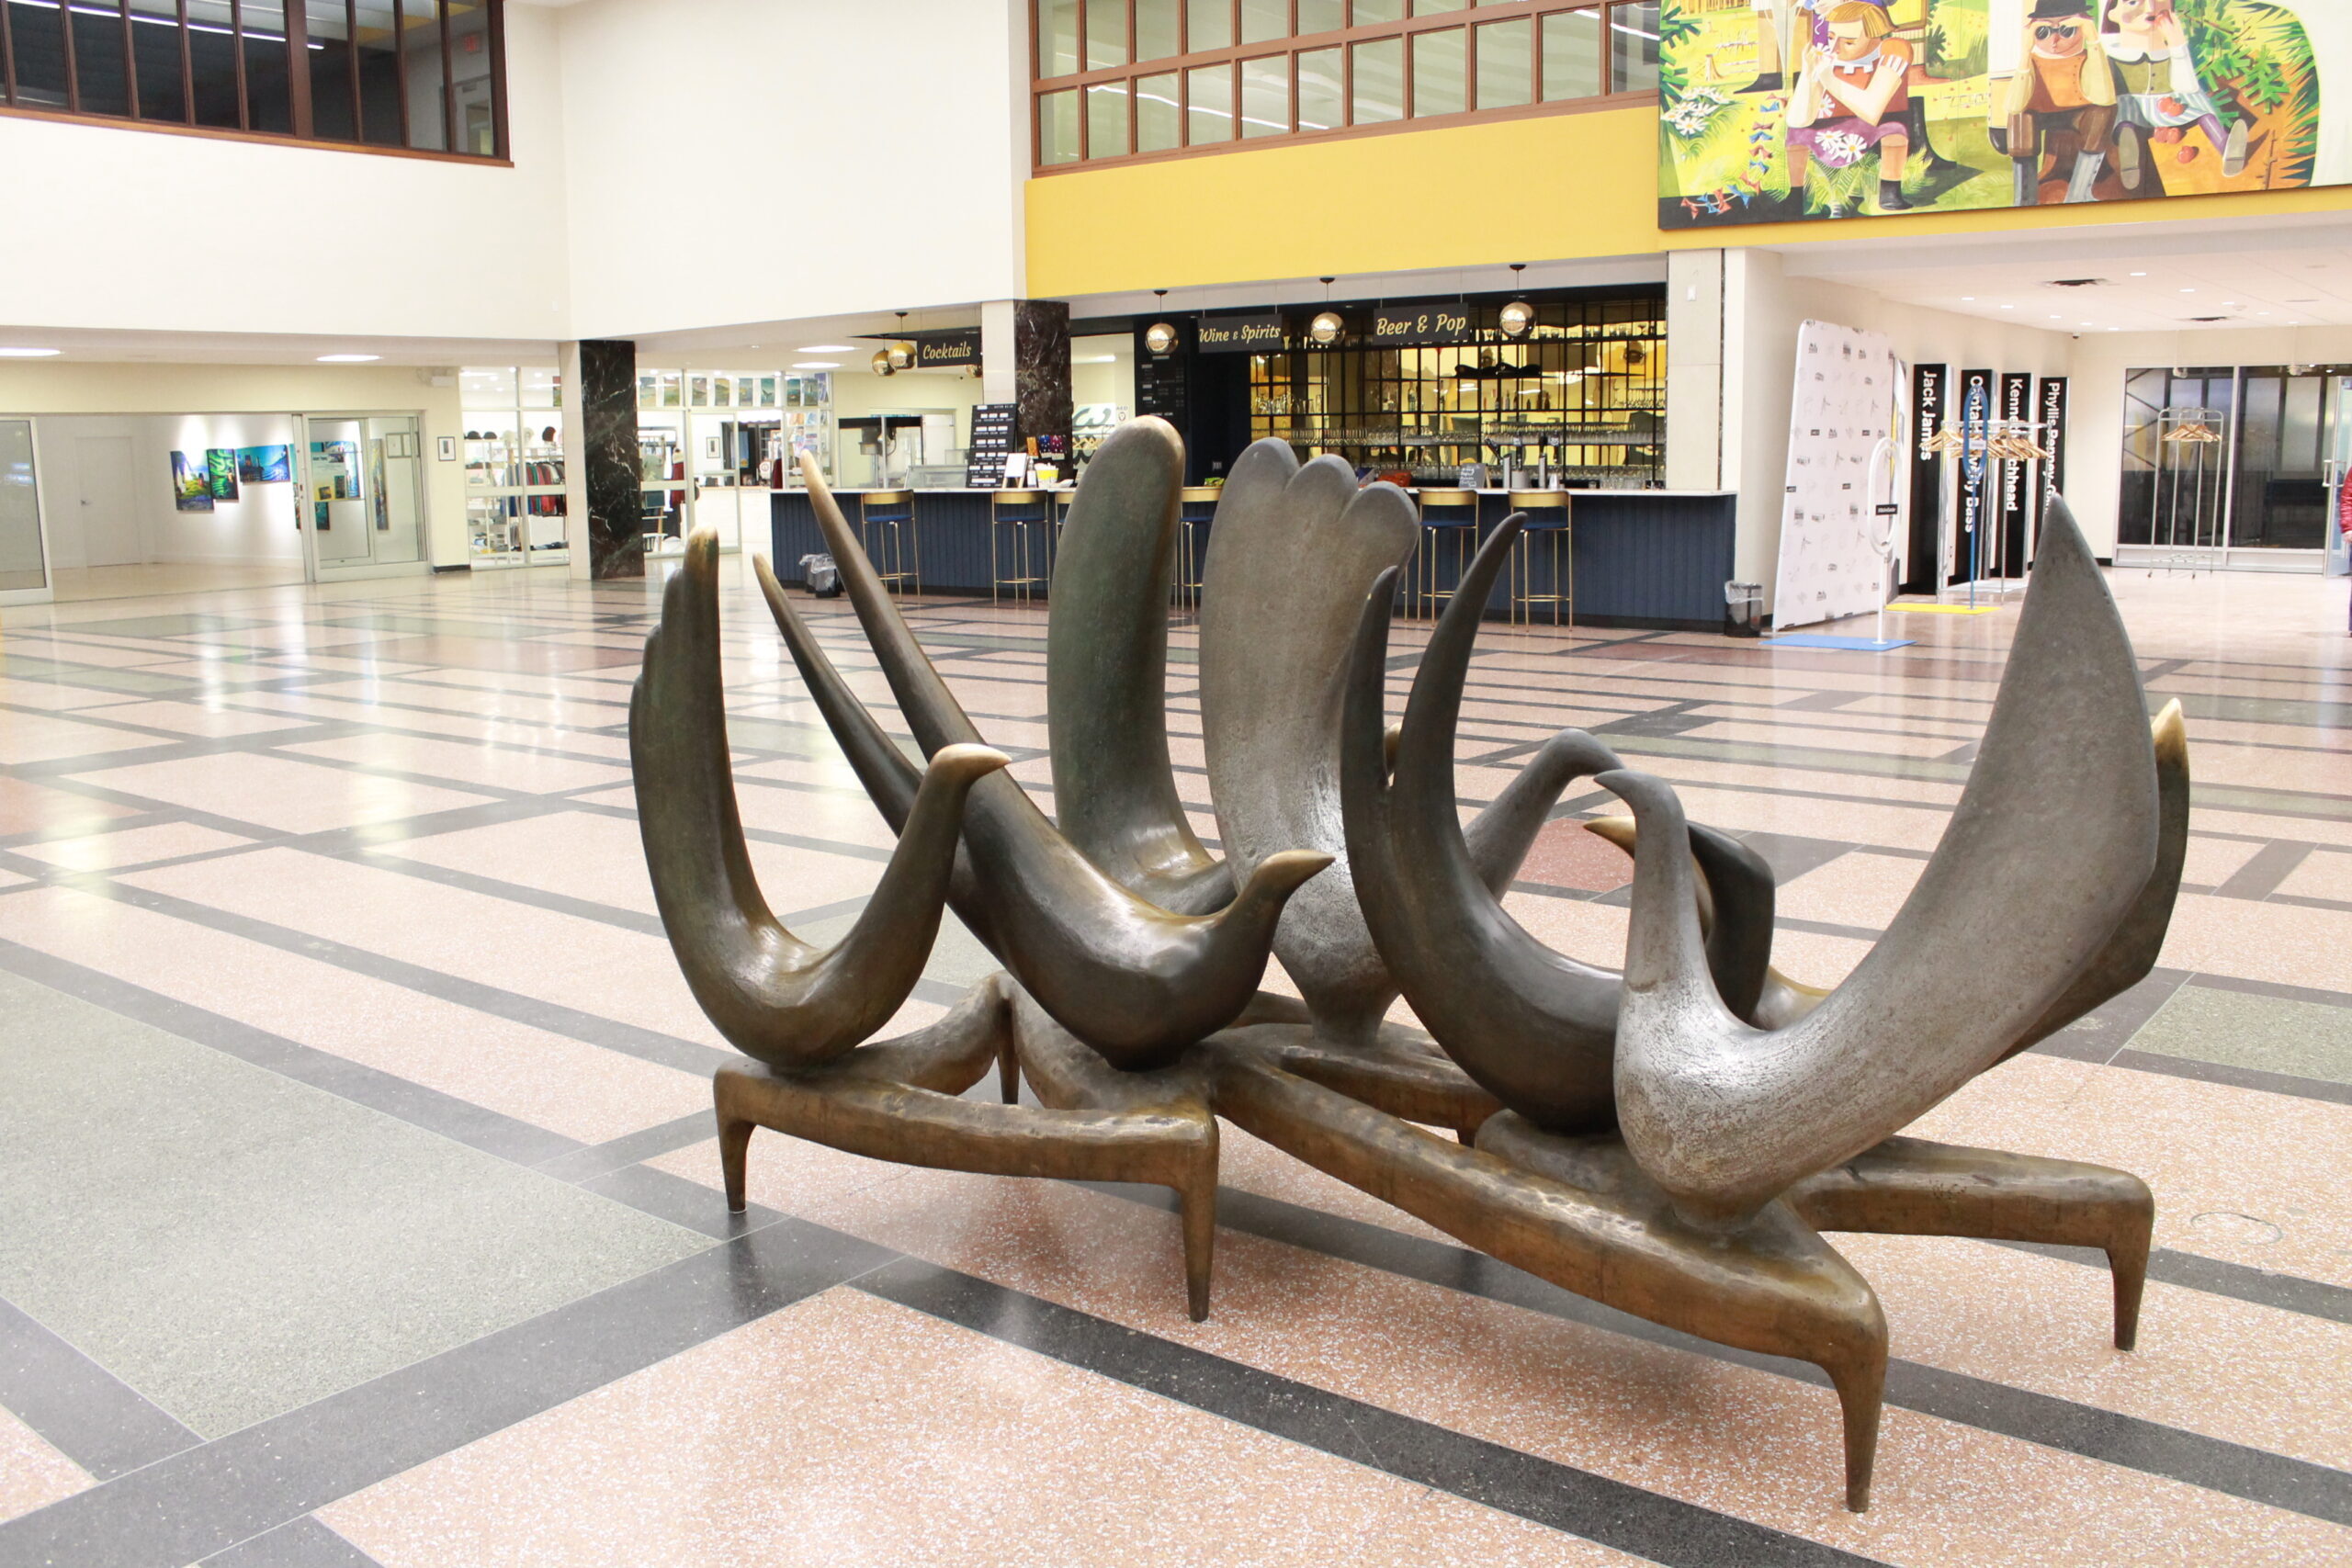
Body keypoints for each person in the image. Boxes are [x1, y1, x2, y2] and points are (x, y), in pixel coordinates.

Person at [2102, 0, 2249, 193]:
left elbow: (2187, 87)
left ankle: (2226, 148)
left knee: (2204, 113)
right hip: (2131, 104)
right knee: (2124, 123)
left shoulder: (2169, 48)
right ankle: (2129, 161)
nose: (2150, 8)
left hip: (2170, 103)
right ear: (2112, 13)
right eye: (2133, 1)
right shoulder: (2109, 51)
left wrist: (2177, 44)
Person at [1787, 3, 1917, 213]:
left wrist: (1827, 76)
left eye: (1849, 42)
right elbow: (1798, 120)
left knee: (1895, 132)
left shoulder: (1894, 49)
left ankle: (1890, 190)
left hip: (1880, 119)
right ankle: (1796, 195)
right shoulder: (1825, 55)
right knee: (1796, 134)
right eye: (1831, 38)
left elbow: (1872, 110)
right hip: (1831, 121)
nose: (1836, 48)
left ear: (1873, 35)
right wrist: (1808, 73)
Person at [1993, 0, 2118, 205]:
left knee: (2103, 113)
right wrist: (2026, 51)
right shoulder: (2033, 61)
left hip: (2079, 114)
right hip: (2040, 114)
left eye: (2067, 30)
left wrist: (2093, 40)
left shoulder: (2086, 58)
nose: (2054, 40)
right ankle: (2024, 198)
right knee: (2020, 117)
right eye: (2043, 32)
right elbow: (2013, 106)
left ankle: (2079, 191)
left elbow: (2105, 98)